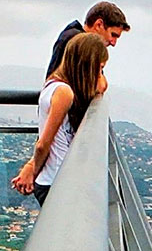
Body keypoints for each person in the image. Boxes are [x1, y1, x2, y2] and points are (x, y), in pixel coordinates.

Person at [11, 33, 108, 205]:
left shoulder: (53, 83)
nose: (101, 75)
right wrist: (32, 173)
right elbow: (43, 144)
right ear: (87, 65)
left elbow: (101, 86)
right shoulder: (64, 93)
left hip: (56, 178)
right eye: (99, 68)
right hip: (55, 180)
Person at [46, 1, 130, 86]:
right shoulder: (73, 41)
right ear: (99, 25)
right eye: (113, 35)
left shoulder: (73, 39)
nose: (113, 43)